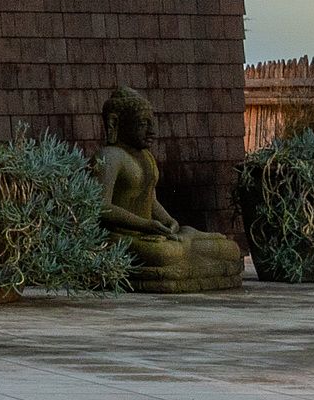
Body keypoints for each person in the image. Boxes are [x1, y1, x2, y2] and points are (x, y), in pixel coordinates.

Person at [96, 88, 246, 292]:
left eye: (152, 123)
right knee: (167, 254)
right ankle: (184, 246)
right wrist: (145, 225)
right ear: (116, 123)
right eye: (143, 124)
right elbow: (101, 207)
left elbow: (150, 199)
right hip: (120, 238)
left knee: (229, 248)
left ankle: (187, 240)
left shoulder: (146, 157)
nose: (152, 131)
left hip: (150, 233)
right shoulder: (109, 156)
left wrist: (167, 221)